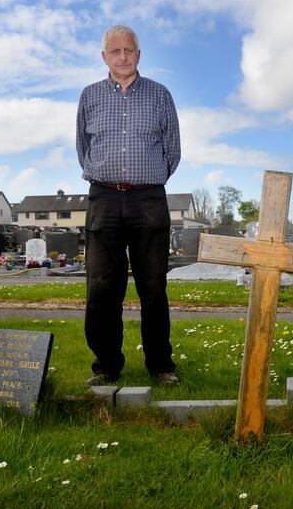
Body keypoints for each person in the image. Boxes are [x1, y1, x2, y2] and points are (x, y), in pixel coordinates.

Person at [76, 25, 180, 386]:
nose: (123, 57)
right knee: (102, 288)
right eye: (115, 51)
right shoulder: (89, 96)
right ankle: (106, 365)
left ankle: (161, 365)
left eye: (129, 51)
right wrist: (101, 175)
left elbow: (172, 149)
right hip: (103, 198)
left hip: (148, 199)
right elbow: (82, 148)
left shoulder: (159, 95)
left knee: (153, 287)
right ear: (104, 55)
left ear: (139, 54)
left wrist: (148, 179)